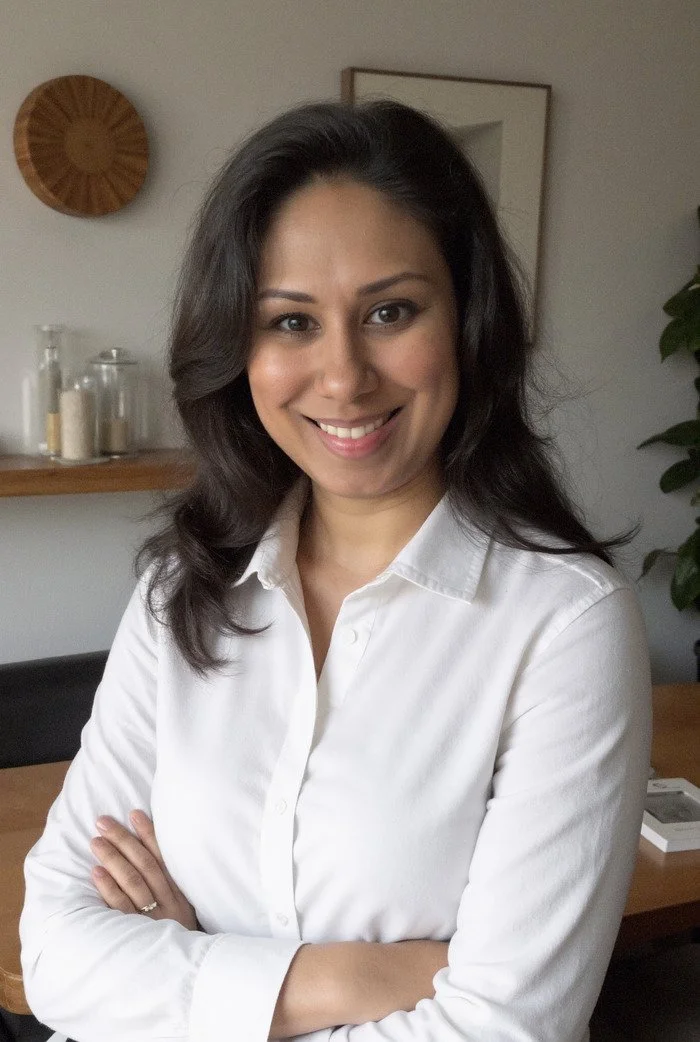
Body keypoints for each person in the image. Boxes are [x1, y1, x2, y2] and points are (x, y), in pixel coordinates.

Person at [20, 100, 651, 1042]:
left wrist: (187, 972)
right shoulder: (182, 590)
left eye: (390, 312)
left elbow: (502, 1029)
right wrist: (353, 978)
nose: (345, 376)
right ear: (239, 348)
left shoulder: (564, 624)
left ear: (468, 320)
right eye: (290, 321)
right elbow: (57, 955)